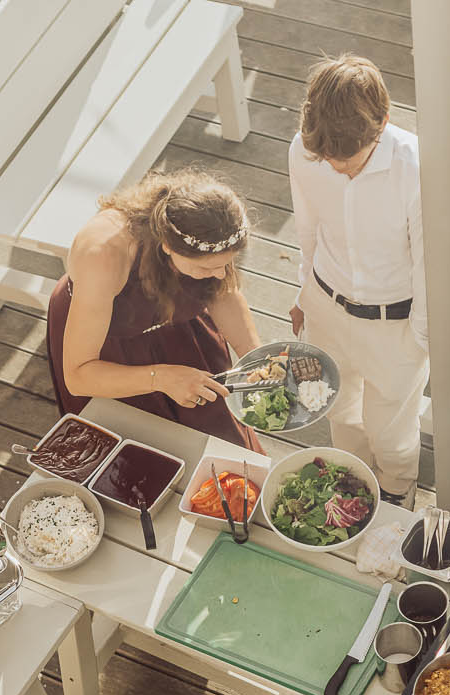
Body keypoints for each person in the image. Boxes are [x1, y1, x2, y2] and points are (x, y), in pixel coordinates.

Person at [288, 56, 427, 506]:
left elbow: (429, 263)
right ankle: (349, 491)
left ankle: (395, 497)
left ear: (383, 123)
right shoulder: (304, 151)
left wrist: (420, 342)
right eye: (328, 159)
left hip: (394, 322)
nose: (338, 167)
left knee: (392, 433)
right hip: (326, 302)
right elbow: (308, 228)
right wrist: (304, 293)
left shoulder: (418, 171)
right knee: (339, 412)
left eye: (349, 159)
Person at [47, 168, 264, 451]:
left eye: (227, 264)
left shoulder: (211, 228)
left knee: (224, 440)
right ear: (167, 247)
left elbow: (222, 294)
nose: (222, 274)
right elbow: (78, 376)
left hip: (180, 330)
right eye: (206, 267)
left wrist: (255, 356)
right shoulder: (103, 253)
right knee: (138, 452)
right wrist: (162, 377)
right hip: (109, 347)